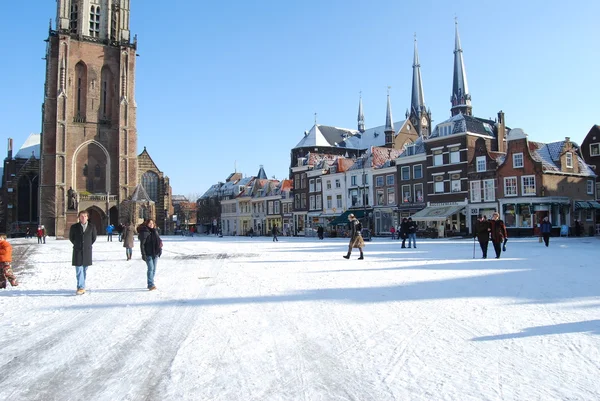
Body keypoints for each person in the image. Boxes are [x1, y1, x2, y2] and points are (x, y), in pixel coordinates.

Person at [69, 210, 97, 295]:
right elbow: (71, 238)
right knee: (79, 269)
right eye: (81, 216)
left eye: (85, 216)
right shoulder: (74, 227)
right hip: (78, 250)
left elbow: (93, 238)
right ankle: (81, 287)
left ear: (87, 217)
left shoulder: (92, 227)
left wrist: (87, 245)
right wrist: (78, 244)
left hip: (87, 251)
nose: (83, 218)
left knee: (84, 269)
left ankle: (81, 286)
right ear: (79, 217)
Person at [138, 219, 162, 291]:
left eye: (152, 223)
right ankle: (150, 284)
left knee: (154, 269)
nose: (151, 224)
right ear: (147, 224)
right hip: (148, 253)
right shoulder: (145, 232)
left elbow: (159, 242)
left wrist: (160, 250)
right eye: (149, 223)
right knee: (150, 269)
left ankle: (151, 282)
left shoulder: (155, 231)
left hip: (155, 253)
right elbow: (142, 245)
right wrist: (143, 254)